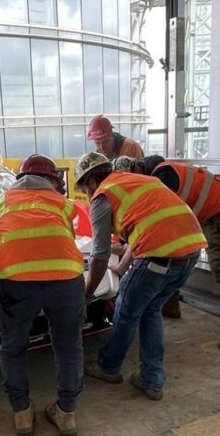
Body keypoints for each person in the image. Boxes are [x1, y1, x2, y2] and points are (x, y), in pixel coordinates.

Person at [0, 154, 85, 436]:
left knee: (13, 348)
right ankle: (66, 414)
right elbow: (64, 240)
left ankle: (22, 414)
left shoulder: (1, 202)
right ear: (52, 181)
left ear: (19, 178)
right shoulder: (63, 203)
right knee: (69, 348)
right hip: (66, 280)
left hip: (15, 284)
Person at [74, 152, 207, 400]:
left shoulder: (103, 196)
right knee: (150, 309)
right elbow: (150, 226)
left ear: (91, 182)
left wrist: (88, 292)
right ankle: (152, 380)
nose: (87, 195)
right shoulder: (141, 181)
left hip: (158, 258)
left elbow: (99, 255)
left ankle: (108, 366)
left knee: (125, 312)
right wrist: (122, 268)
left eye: (84, 189)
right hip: (191, 253)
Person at [143, 156, 220, 349]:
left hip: (217, 208)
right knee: (176, 251)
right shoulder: (158, 174)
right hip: (199, 209)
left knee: (218, 264)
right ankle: (172, 304)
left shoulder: (163, 177)